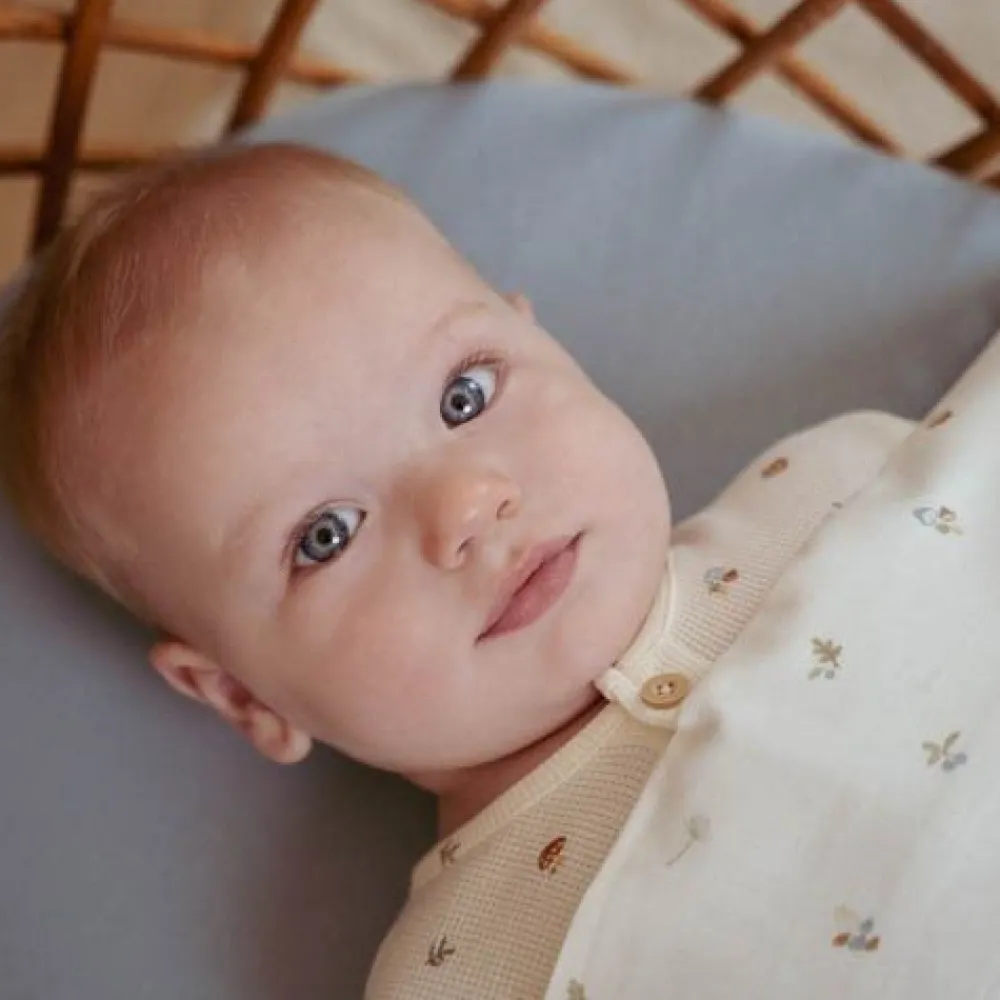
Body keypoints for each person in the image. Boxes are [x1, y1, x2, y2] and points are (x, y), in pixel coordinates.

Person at [0, 142, 913, 998]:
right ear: (242, 694)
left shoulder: (842, 481)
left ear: (544, 342)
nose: (466, 506)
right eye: (328, 534)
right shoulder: (454, 970)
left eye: (464, 395)